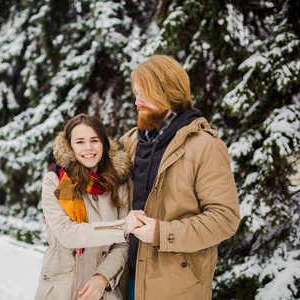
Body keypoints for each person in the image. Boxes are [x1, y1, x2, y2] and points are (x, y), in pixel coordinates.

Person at [119, 55, 241, 299]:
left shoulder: (205, 146)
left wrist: (161, 233)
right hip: (127, 279)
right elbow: (91, 174)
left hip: (176, 288)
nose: (137, 101)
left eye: (144, 93)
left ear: (168, 93)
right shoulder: (131, 141)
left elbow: (226, 218)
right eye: (136, 93)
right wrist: (64, 199)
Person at [35, 114, 142, 300]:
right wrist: (122, 227)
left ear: (103, 144)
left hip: (102, 292)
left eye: (94, 140)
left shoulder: (118, 185)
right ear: (70, 146)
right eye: (80, 142)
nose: (88, 148)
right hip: (61, 289)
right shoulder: (60, 182)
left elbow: (123, 244)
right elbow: (68, 233)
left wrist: (102, 277)